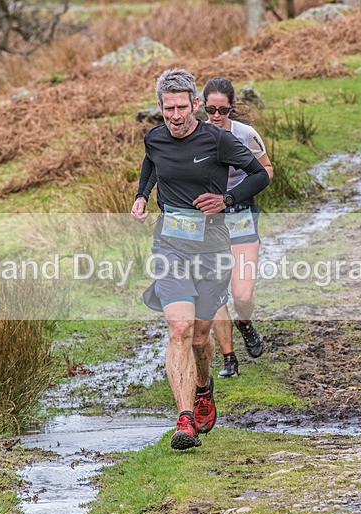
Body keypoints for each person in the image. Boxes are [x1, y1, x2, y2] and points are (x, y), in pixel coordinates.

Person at [131, 68, 269, 450]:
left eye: (181, 107)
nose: (174, 116)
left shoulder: (218, 140)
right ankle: (184, 419)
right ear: (160, 107)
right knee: (179, 328)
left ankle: (204, 386)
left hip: (212, 250)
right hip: (170, 248)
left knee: (201, 336)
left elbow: (260, 176)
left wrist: (226, 200)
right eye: (167, 109)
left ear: (195, 104)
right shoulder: (155, 138)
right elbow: (151, 165)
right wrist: (143, 195)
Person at [203, 77, 273, 378]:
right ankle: (229, 358)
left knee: (242, 295)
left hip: (241, 216)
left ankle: (245, 323)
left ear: (232, 108)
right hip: (207, 225)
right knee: (216, 293)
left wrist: (236, 195)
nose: (216, 117)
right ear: (201, 108)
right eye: (210, 110)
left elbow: (267, 169)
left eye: (223, 111)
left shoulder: (246, 135)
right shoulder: (196, 135)